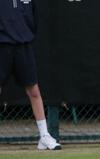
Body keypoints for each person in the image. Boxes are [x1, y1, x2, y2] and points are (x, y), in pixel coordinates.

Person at [0, 0, 61, 150]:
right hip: (2, 46)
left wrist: (24, 35)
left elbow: (33, 20)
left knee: (34, 91)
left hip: (23, 47)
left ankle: (44, 136)